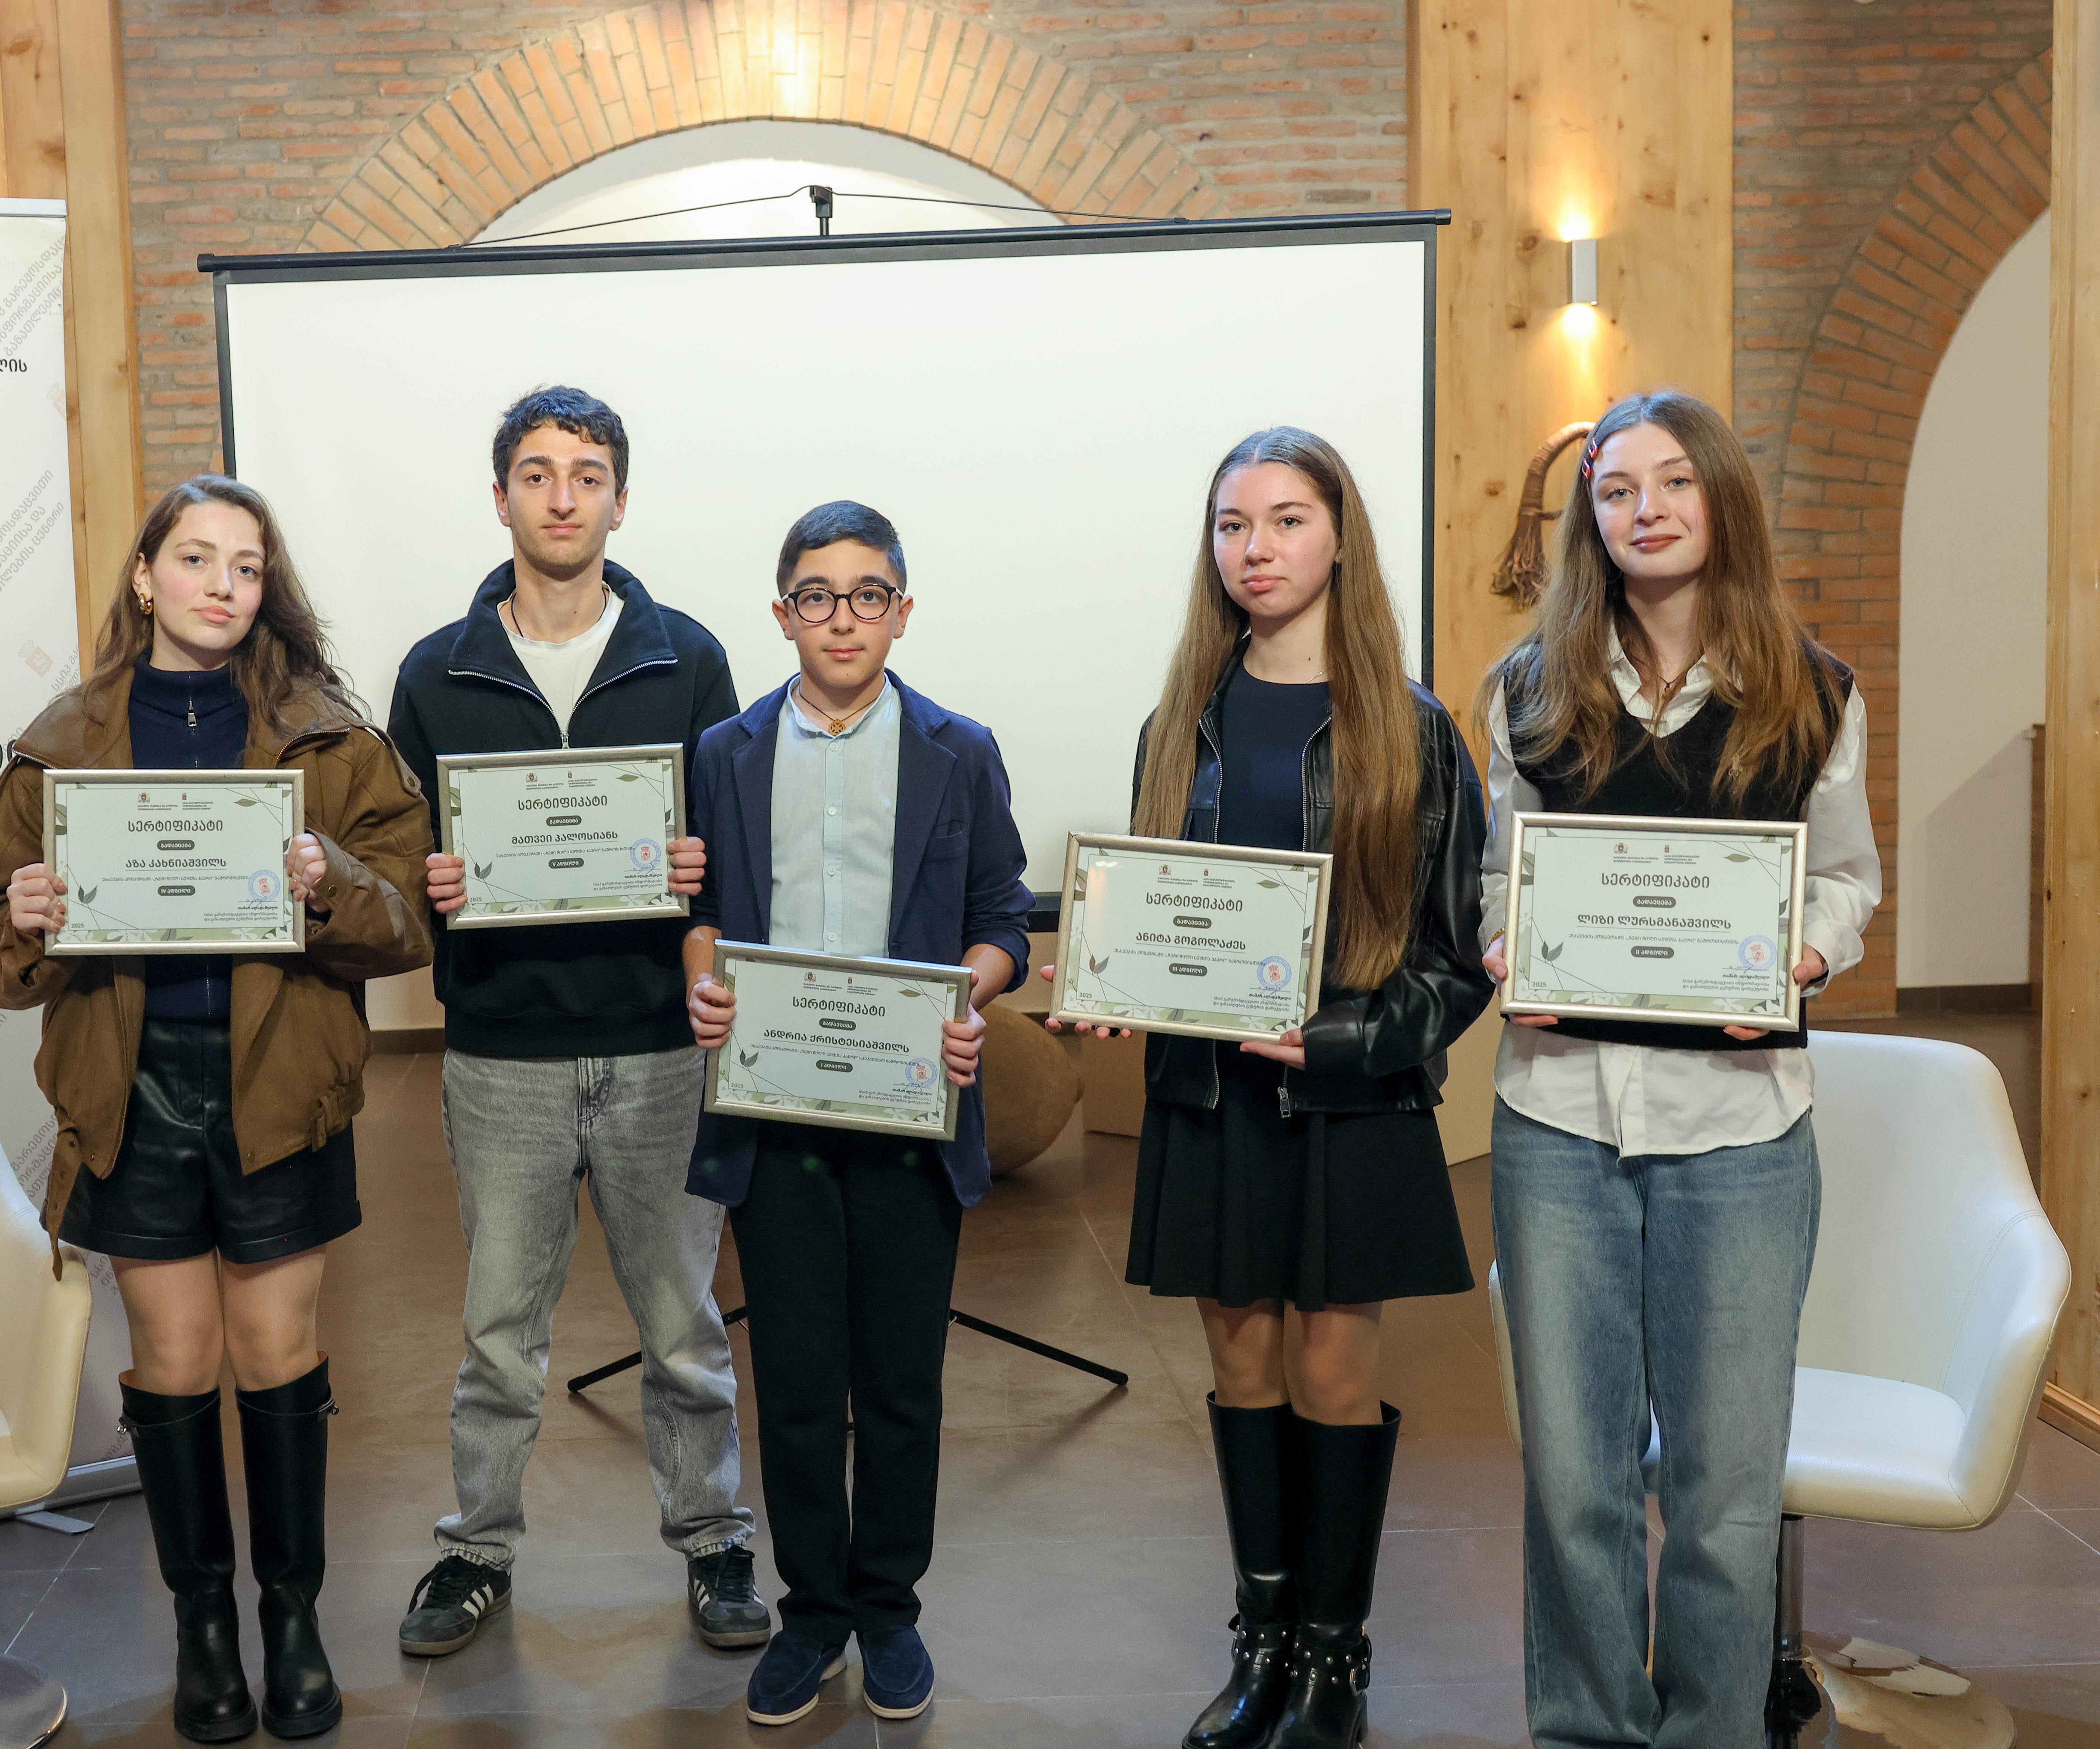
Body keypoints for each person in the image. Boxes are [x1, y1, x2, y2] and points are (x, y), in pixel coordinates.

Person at [0, 475, 435, 1744]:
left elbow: (406, 922)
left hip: (279, 1087)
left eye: (246, 566)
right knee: (174, 1363)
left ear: (265, 590)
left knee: (278, 1354)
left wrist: (332, 880)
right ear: (145, 576)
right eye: (195, 559)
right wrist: (27, 917)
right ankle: (204, 1628)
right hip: (133, 1095)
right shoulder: (61, 745)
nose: (221, 586)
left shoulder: (332, 740)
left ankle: (294, 1619)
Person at [1048, 427, 1489, 1749]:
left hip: (1349, 1100)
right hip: (1210, 1101)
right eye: (1234, 524)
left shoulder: (1415, 729)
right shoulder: (1177, 723)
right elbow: (1155, 915)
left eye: (1288, 520)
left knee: (1333, 1374)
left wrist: (1347, 1042)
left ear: (1340, 538)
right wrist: (1115, 984)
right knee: (1240, 1366)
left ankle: (1338, 1660)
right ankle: (1266, 1642)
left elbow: (1457, 959)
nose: (1257, 548)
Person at [1479, 389, 1877, 1747]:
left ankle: (1714, 1732)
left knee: (1723, 1492)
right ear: (1588, 518)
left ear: (1722, 499)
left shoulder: (1816, 692)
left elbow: (1845, 881)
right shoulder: (1525, 688)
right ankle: (1587, 1731)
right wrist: (1505, 942)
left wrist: (1803, 957)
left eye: (1672, 483)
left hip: (1743, 1131)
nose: (1643, 510)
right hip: (1557, 1119)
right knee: (1574, 1484)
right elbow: (1500, 878)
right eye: (1615, 490)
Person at [384, 386, 768, 1657]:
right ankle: (476, 1550)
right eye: (539, 474)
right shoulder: (434, 671)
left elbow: (731, 848)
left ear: (620, 499)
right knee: (500, 1336)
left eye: (588, 475)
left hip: (661, 1045)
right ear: (500, 497)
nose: (563, 497)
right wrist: (436, 884)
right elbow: (398, 862)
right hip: (504, 1054)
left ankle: (715, 1541)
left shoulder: (689, 657)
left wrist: (700, 865)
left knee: (684, 1327)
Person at [685, 500, 1033, 1728]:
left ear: (903, 611)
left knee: (899, 1383)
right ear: (783, 614)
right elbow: (704, 913)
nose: (845, 618)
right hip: (775, 1120)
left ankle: (888, 1608)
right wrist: (703, 982)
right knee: (792, 1380)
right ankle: (812, 1611)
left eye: (869, 595)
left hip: (908, 1121)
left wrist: (968, 995)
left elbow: (1002, 918)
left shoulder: (961, 750)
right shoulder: (725, 752)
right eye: (819, 597)